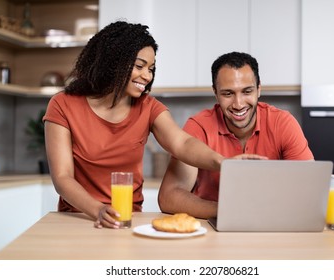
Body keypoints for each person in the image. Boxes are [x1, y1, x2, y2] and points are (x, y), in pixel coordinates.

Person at [43, 21, 249, 229]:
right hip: (78, 218)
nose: (147, 76)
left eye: (151, 69)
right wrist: (98, 210)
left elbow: (183, 143)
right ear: (114, 61)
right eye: (139, 66)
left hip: (126, 219)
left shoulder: (149, 108)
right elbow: (62, 177)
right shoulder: (63, 105)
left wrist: (222, 162)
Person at [158, 52, 314, 219]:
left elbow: (309, 188)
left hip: (272, 223)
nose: (238, 104)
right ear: (215, 93)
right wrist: (229, 210)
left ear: (259, 89)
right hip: (213, 227)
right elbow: (169, 197)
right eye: (228, 94)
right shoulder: (199, 127)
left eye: (247, 91)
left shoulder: (282, 123)